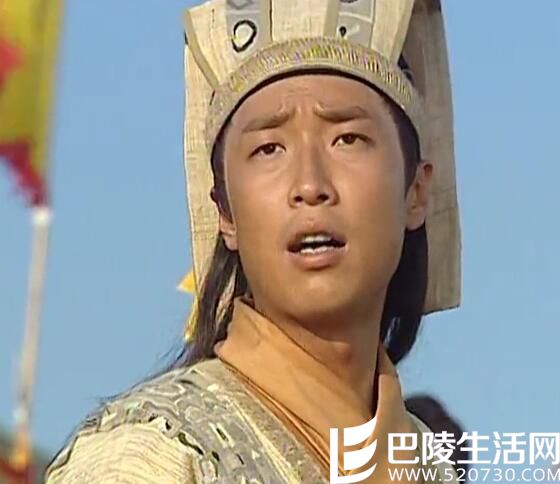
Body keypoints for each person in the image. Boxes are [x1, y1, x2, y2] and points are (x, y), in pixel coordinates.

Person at [46, 0, 462, 482]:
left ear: (416, 192)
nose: (310, 184)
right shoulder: (149, 457)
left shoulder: (430, 467)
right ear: (225, 213)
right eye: (269, 148)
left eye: (347, 139)